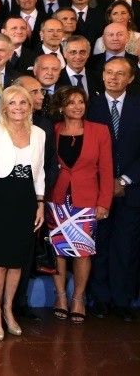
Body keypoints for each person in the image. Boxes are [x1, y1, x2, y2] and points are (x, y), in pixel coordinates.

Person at [0, 85, 47, 341]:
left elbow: (39, 172)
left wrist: (40, 202)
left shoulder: (39, 133)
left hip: (25, 200)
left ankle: (9, 309)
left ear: (30, 106)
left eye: (23, 102)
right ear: (4, 106)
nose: (18, 107)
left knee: (17, 260)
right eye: (13, 103)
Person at [45, 86, 114, 324]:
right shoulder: (52, 130)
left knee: (83, 252)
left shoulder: (99, 131)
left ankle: (78, 298)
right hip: (57, 198)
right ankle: (60, 296)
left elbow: (106, 170)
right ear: (61, 107)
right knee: (58, 251)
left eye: (80, 102)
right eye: (71, 102)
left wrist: (104, 202)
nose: (77, 106)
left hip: (86, 201)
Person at [87, 57, 140, 322]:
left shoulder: (138, 106)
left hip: (132, 190)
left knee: (126, 246)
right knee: (99, 244)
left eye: (120, 74)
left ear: (130, 78)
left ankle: (122, 300)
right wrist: (106, 182)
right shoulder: (89, 105)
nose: (113, 78)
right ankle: (100, 299)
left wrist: (125, 180)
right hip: (96, 189)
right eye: (109, 72)